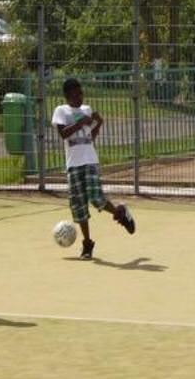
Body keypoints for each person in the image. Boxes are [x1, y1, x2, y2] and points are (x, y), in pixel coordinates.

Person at [52, 76, 136, 260]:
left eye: (81, 93)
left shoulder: (86, 109)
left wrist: (98, 123)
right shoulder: (61, 111)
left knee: (95, 198)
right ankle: (88, 245)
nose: (80, 98)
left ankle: (121, 214)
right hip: (73, 164)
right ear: (67, 96)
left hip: (89, 160)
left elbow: (90, 138)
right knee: (79, 206)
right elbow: (64, 134)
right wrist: (81, 122)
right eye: (75, 95)